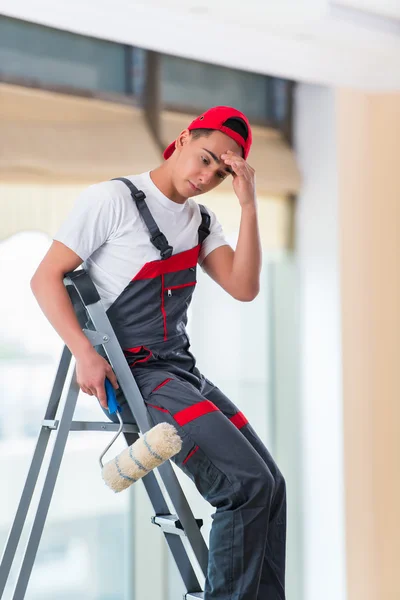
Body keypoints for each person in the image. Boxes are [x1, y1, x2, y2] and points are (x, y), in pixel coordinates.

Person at [31, 105, 287, 599]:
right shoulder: (113, 199)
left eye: (222, 171)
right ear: (185, 137)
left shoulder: (201, 220)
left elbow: (244, 286)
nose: (207, 175)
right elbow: (45, 277)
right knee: (243, 486)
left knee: (270, 485)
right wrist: (84, 352)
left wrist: (249, 204)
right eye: (206, 158)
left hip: (180, 371)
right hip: (136, 377)